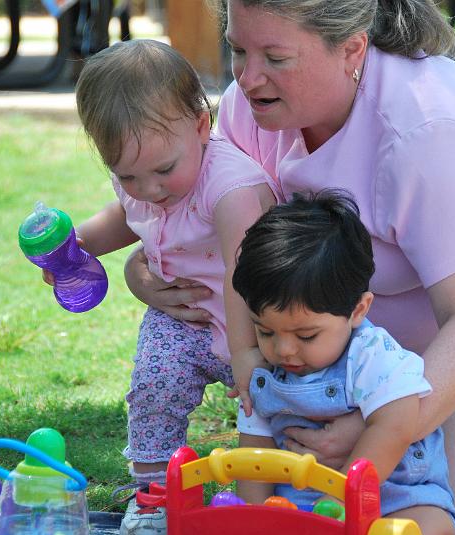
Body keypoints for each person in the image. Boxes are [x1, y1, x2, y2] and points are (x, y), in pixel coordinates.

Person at [124, 0, 455, 527]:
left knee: (398, 514)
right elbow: (220, 231)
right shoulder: (254, 104)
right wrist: (143, 271)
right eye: (239, 50)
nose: (247, 78)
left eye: (275, 56)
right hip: (374, 341)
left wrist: (375, 426)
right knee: (301, 509)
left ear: (352, 48)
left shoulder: (427, 133)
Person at [51, 39, 279, 534]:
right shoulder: (144, 173)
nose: (150, 189)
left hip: (260, 325)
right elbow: (128, 218)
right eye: (126, 174)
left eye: (163, 171)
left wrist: (245, 353)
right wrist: (75, 248)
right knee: (155, 385)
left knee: (271, 410)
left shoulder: (231, 189)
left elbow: (245, 278)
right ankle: (153, 493)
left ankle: (265, 496)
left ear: (202, 126)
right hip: (188, 319)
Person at [232, 189, 455, 535]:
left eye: (306, 336)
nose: (284, 350)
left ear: (357, 310)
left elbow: (395, 426)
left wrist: (343, 501)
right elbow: (255, 462)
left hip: (396, 498)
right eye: (264, 331)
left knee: (430, 526)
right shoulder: (266, 376)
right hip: (299, 506)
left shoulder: (371, 355)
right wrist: (254, 518)